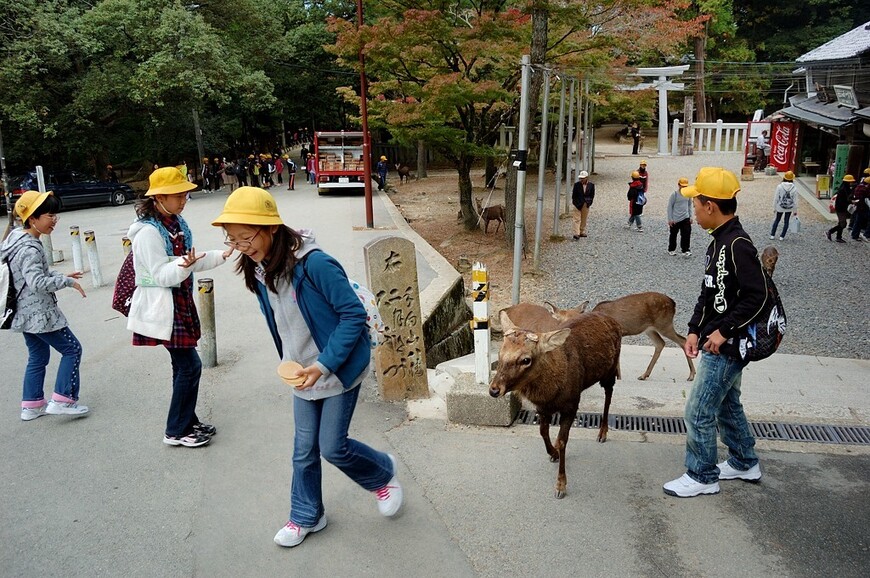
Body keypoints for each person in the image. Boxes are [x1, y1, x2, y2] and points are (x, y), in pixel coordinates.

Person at [211, 186, 403, 547]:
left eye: (245, 236)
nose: (240, 245)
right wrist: (293, 362)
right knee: (303, 449)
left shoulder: (315, 263)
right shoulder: (257, 268)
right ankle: (307, 516)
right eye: (232, 239)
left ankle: (382, 473)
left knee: (332, 447)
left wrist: (324, 364)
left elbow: (352, 316)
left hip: (338, 366)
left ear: (269, 228)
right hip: (301, 371)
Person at [663, 167, 768, 498]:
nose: (693, 209)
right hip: (715, 338)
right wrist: (693, 329)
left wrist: (721, 332)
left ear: (710, 205)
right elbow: (709, 293)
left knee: (698, 410)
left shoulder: (738, 245)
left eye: (696, 203)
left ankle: (702, 474)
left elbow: (757, 295)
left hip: (728, 345)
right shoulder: (718, 241)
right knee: (726, 404)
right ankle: (743, 460)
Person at [126, 167, 231, 447]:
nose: (184, 198)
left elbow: (189, 260)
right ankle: (175, 431)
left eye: (185, 193)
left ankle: (188, 421)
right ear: (159, 197)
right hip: (164, 307)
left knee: (181, 366)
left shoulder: (177, 224)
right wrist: (184, 267)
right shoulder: (148, 233)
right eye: (178, 194)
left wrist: (222, 254)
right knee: (190, 366)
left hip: (179, 301)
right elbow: (162, 274)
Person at [2, 191, 89, 421]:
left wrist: (60, 274)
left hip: (24, 312)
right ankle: (63, 399)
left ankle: (31, 405)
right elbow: (37, 282)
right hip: (39, 313)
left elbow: (35, 273)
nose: (54, 220)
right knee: (72, 349)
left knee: (38, 355)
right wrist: (66, 281)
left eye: (55, 215)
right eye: (50, 215)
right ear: (32, 218)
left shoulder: (16, 239)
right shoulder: (30, 248)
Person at [667, 177, 694, 256]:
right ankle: (671, 249)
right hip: (675, 219)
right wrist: (670, 219)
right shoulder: (674, 194)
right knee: (673, 234)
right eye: (682, 186)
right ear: (679, 185)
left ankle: (685, 250)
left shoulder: (688, 194)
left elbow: (689, 205)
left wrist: (690, 216)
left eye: (685, 186)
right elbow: (669, 207)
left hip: (685, 218)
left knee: (686, 234)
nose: (684, 187)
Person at [770, 171, 798, 240]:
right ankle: (782, 236)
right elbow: (795, 200)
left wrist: (774, 207)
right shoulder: (794, 188)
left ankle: (772, 235)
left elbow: (776, 197)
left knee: (777, 220)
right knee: (786, 221)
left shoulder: (779, 186)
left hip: (780, 206)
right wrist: (795, 210)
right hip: (789, 207)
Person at [827, 175, 855, 243]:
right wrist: (851, 201)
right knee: (843, 224)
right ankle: (830, 231)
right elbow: (844, 200)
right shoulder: (843, 190)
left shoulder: (845, 189)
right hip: (840, 209)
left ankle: (838, 237)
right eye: (850, 182)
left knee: (841, 223)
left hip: (842, 208)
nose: (852, 183)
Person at [571, 170, 595, 239]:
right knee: (576, 218)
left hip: (586, 203)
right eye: (581, 178)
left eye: (583, 178)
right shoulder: (576, 185)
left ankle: (582, 231)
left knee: (584, 218)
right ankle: (576, 233)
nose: (581, 179)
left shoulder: (591, 185)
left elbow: (592, 195)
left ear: (587, 178)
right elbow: (574, 195)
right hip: (577, 203)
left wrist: (589, 202)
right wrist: (575, 202)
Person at [850, 176, 870, 241]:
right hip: (863, 207)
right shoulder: (865, 189)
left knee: (857, 221)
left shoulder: (858, 187)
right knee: (859, 221)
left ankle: (854, 234)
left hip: (858, 207)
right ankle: (865, 235)